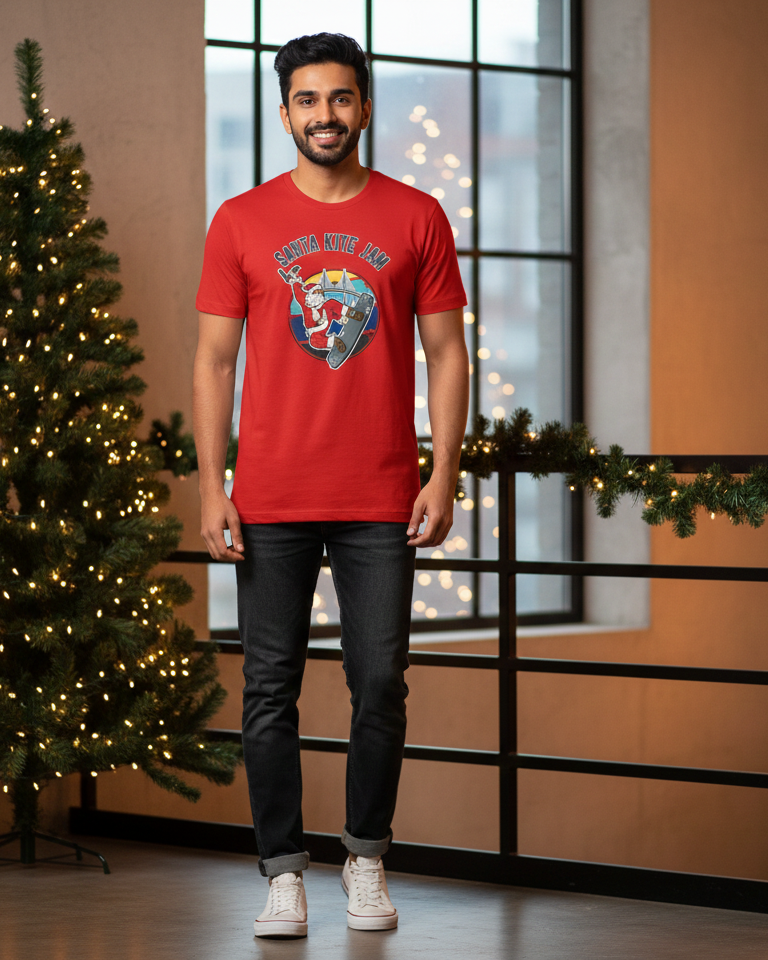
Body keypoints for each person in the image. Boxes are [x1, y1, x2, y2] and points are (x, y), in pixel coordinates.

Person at [193, 32, 469, 939]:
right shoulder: (240, 220)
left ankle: (365, 856)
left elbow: (448, 353)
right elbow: (214, 360)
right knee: (268, 688)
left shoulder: (417, 215)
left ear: (365, 107)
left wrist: (444, 472)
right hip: (269, 496)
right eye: (308, 100)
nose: (326, 115)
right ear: (284, 114)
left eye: (341, 98)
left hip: (382, 496)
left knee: (379, 681)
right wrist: (211, 486)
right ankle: (283, 873)